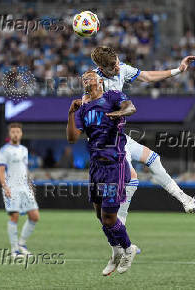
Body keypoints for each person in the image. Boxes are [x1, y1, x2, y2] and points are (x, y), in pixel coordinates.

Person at [89, 46, 195, 274]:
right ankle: (119, 249)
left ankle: (186, 201)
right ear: (101, 68)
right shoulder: (93, 83)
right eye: (113, 66)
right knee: (128, 184)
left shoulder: (121, 70)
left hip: (119, 137)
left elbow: (146, 76)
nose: (118, 67)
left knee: (153, 160)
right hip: (106, 143)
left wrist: (178, 70)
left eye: (118, 62)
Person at [67, 70, 138, 275]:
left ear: (100, 81)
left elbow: (131, 107)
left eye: (89, 77)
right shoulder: (82, 108)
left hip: (114, 164)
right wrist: (71, 113)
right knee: (99, 215)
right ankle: (115, 250)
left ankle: (128, 248)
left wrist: (118, 113)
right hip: (96, 166)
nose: (86, 80)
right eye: (83, 79)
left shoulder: (112, 96)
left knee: (109, 217)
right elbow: (72, 138)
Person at [0, 123, 39, 257]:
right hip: (12, 188)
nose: (15, 134)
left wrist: (30, 186)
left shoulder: (24, 150)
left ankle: (22, 243)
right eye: (13, 132)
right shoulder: (4, 150)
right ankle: (14, 249)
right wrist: (5, 187)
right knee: (14, 216)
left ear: (21, 134)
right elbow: (1, 170)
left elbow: (25, 170)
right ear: (9, 134)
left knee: (34, 216)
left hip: (25, 187)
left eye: (18, 132)